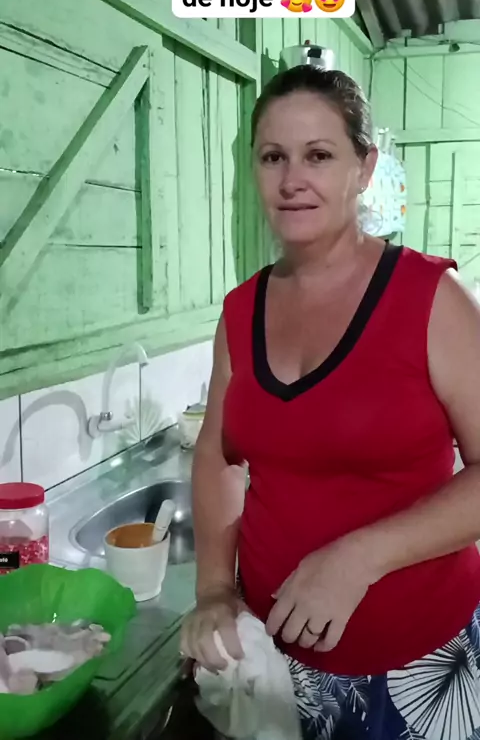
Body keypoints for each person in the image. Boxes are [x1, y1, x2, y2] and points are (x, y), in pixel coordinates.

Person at [180, 64, 480, 739]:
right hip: (276, 666)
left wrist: (359, 558)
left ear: (363, 169)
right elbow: (220, 458)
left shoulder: (430, 299)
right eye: (273, 157)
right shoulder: (240, 312)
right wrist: (214, 589)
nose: (292, 179)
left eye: (318, 155)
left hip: (418, 669)